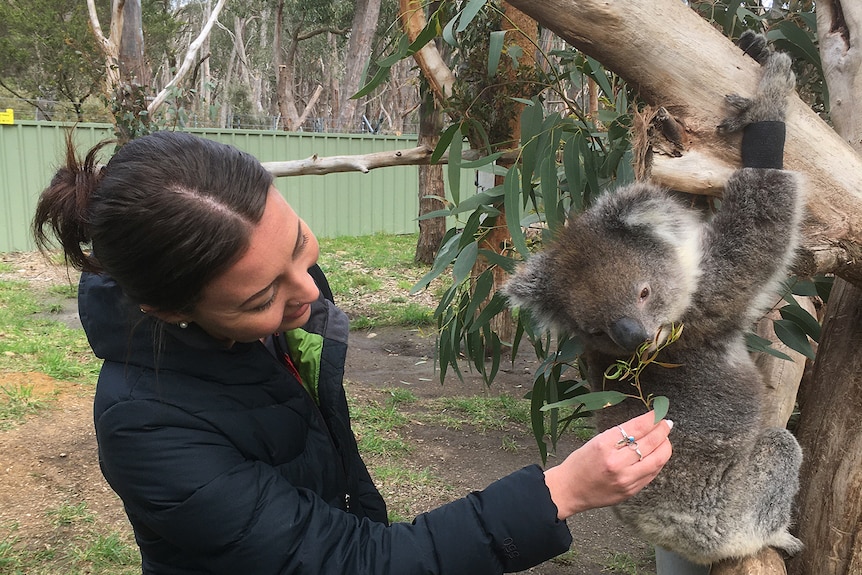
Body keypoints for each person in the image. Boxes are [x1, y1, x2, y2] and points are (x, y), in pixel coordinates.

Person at [33, 130, 673, 575]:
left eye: (299, 245)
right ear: (173, 312)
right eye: (261, 298)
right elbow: (356, 564)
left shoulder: (279, 297)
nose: (309, 291)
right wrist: (559, 491)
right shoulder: (148, 428)